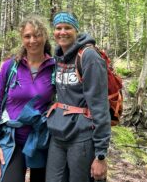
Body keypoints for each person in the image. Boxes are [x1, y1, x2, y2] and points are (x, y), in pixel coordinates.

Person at [0, 15, 55, 182]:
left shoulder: (54, 68)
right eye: (27, 36)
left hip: (42, 141)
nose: (32, 40)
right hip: (13, 141)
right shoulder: (10, 67)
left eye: (37, 35)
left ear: (45, 36)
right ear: (22, 38)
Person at [46, 12, 111, 182]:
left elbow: (100, 106)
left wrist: (101, 154)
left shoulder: (89, 56)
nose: (62, 32)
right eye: (58, 28)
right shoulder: (58, 55)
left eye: (67, 28)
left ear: (76, 30)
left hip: (82, 136)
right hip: (58, 134)